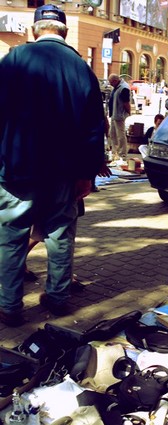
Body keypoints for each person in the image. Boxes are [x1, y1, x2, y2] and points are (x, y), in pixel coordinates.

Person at [0, 4, 108, 326]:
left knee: (12, 236)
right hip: (64, 174)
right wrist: (86, 175)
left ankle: (9, 306)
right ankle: (58, 298)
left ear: (35, 30)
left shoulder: (14, 61)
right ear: (64, 31)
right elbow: (94, 128)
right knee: (60, 235)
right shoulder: (81, 67)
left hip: (18, 169)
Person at [108, 74, 131, 166]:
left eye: (111, 82)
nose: (110, 84)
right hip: (114, 114)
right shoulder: (117, 87)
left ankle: (122, 154)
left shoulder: (123, 88)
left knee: (121, 135)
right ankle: (115, 153)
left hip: (119, 115)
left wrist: (128, 112)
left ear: (115, 81)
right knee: (112, 134)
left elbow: (126, 102)